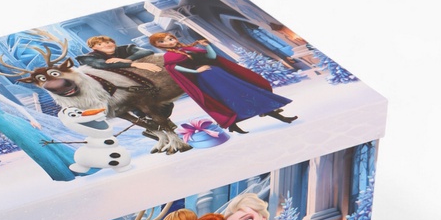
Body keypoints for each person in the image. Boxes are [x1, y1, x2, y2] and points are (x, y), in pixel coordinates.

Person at [148, 32, 297, 134]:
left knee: (247, 92)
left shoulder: (188, 48)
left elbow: (212, 57)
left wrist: (207, 46)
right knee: (225, 99)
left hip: (219, 74)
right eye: (162, 41)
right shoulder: (169, 56)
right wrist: (196, 71)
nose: (168, 42)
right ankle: (233, 125)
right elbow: (174, 68)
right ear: (158, 45)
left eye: (170, 38)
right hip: (207, 79)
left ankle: (279, 116)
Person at [0, 73, 76, 182]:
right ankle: (59, 173)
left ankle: (68, 168)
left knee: (37, 144)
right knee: (31, 148)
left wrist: (32, 119)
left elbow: (17, 107)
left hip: (12, 122)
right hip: (2, 125)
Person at [77, 36, 159, 73]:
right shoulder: (87, 58)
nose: (106, 45)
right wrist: (133, 64)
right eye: (99, 44)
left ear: (114, 43)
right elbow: (102, 64)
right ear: (93, 48)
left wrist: (127, 60)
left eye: (108, 42)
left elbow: (146, 51)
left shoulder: (126, 48)